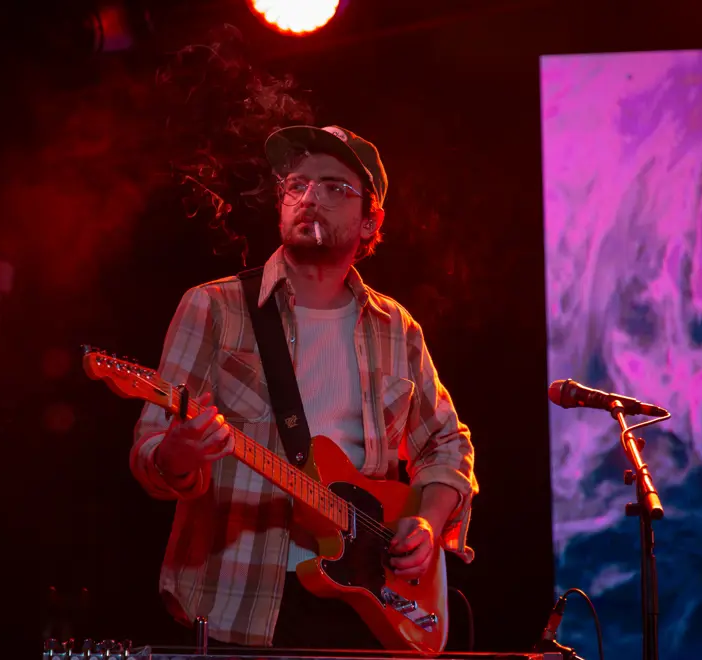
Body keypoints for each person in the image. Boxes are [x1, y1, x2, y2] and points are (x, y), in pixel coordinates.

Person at [130, 125, 478, 650]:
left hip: (367, 604)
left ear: (370, 221)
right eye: (297, 184)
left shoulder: (397, 327)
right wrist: (177, 456)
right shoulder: (214, 308)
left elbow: (448, 445)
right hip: (237, 605)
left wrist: (427, 524)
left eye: (335, 187)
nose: (311, 196)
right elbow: (152, 450)